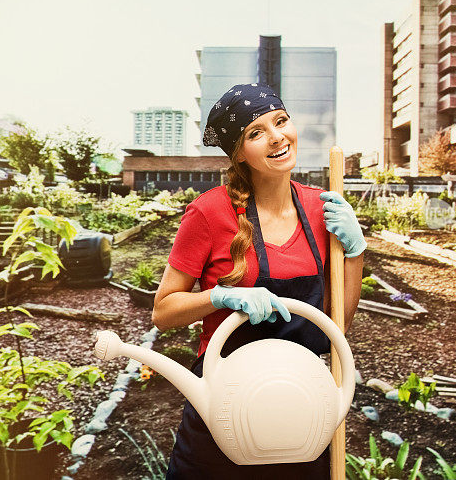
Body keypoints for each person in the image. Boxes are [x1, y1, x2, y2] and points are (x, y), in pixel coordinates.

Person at [153, 82, 365, 479]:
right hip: (224, 401)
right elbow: (163, 312)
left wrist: (354, 252)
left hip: (301, 402)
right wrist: (220, 297)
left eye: (280, 121)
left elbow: (339, 327)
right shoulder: (208, 213)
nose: (277, 137)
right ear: (239, 153)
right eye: (255, 133)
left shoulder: (323, 209)